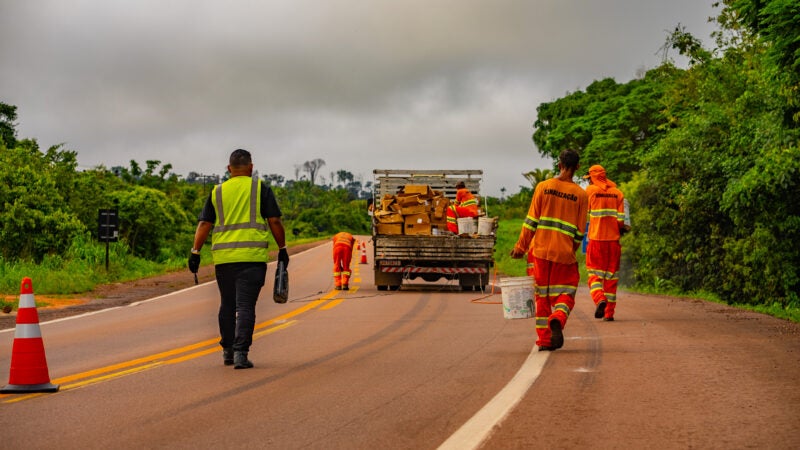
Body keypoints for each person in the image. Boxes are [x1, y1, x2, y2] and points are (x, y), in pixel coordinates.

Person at [189, 149, 289, 369]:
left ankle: (228, 351)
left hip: (224, 258)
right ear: (251, 167)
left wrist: (195, 252)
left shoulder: (217, 191)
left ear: (229, 169)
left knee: (227, 304)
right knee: (245, 306)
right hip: (252, 258)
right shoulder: (260, 188)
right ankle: (241, 354)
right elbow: (274, 221)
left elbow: (204, 224)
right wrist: (282, 248)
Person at [510, 149, 588, 351]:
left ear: (559, 165)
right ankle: (558, 317)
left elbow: (530, 222)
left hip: (540, 252)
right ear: (577, 167)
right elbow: (580, 232)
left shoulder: (543, 187)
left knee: (542, 297)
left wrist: (520, 247)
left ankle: (545, 340)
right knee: (567, 292)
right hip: (564, 254)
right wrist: (569, 249)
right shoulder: (581, 195)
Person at [583, 164, 628, 321]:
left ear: (593, 177)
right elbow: (621, 221)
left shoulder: (590, 191)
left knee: (594, 275)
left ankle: (599, 298)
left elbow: (584, 213)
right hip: (613, 242)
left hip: (596, 241)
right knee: (611, 279)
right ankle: (609, 314)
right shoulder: (618, 193)